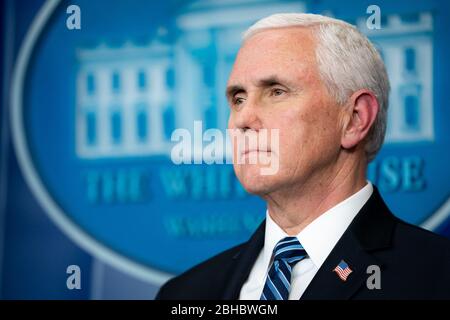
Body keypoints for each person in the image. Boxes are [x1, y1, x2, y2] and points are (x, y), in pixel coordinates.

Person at [156, 13, 450, 300]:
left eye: (276, 92)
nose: (242, 119)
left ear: (355, 119)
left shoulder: (436, 276)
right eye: (238, 98)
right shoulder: (184, 293)